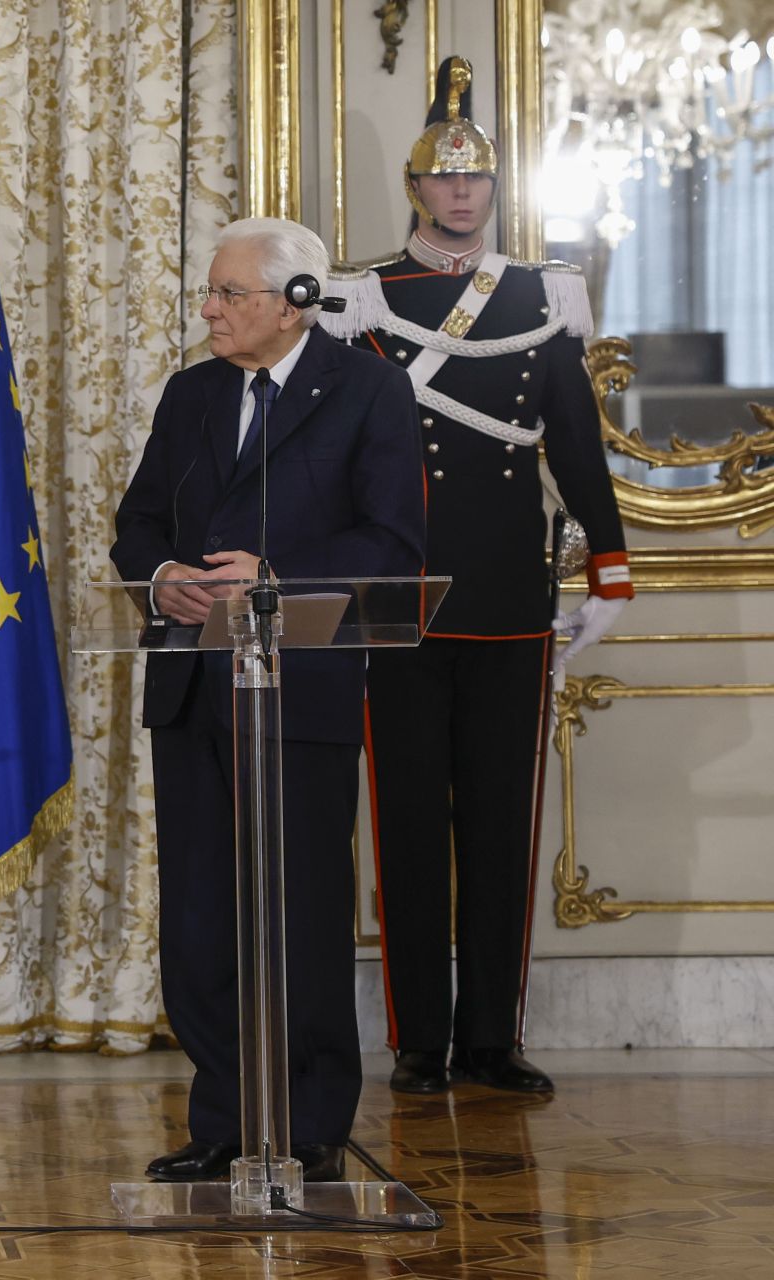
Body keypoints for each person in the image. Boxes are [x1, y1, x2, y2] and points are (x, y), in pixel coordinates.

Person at [323, 56, 631, 1097]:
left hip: (508, 594)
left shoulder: (544, 296)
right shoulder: (368, 297)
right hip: (400, 594)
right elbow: (338, 451)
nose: (462, 194)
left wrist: (612, 569)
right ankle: (420, 1041)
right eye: (443, 178)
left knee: (501, 827)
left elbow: (577, 448)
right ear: (415, 188)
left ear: (494, 191)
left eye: (477, 180)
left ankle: (492, 1037)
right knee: (408, 821)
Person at [111, 217, 426, 1183]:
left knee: (301, 913)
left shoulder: (368, 390)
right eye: (208, 293)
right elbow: (137, 524)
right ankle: (224, 1121)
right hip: (195, 690)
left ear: (293, 304)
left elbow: (394, 545)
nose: (207, 309)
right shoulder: (191, 393)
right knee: (202, 917)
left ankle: (313, 1123)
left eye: (227, 294)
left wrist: (277, 576)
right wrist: (162, 575)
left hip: (301, 693)